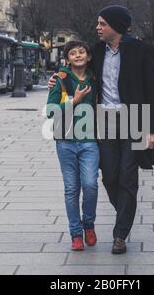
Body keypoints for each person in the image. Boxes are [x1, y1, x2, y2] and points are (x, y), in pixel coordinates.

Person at [49, 5, 154, 254]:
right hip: (104, 120)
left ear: (117, 26)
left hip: (136, 119)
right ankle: (126, 210)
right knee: (110, 177)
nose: (98, 28)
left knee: (128, 177)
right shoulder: (97, 51)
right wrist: (58, 78)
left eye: (102, 24)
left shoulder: (142, 50)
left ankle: (120, 234)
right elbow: (77, 69)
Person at [46, 41, 99, 251]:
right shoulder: (61, 79)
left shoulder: (96, 78)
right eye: (73, 53)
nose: (78, 55)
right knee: (71, 189)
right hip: (66, 142)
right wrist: (74, 101)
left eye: (82, 52)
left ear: (89, 56)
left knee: (90, 185)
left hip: (89, 142)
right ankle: (76, 234)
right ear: (67, 59)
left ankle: (89, 224)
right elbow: (50, 111)